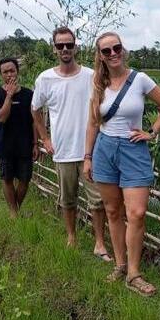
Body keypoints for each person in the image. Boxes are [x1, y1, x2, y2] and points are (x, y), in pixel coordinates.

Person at [83, 32, 160, 296]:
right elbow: (92, 123)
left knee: (135, 213)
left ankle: (134, 273)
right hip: (105, 150)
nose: (113, 54)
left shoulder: (140, 79)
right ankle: (121, 265)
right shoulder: (98, 85)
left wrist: (152, 131)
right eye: (106, 51)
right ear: (100, 56)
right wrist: (88, 157)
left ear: (123, 49)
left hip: (134, 150)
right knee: (112, 211)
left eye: (116, 48)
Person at [32, 27, 109, 260]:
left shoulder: (90, 76)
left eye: (69, 45)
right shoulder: (45, 78)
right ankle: (71, 237)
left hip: (90, 150)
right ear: (54, 48)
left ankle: (99, 243)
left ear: (76, 46)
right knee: (68, 199)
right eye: (60, 45)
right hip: (63, 150)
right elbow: (35, 109)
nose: (65, 49)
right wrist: (45, 138)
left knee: (97, 200)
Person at [0, 57, 38, 218]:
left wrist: (35, 143)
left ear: (17, 71)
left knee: (25, 179)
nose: (9, 74)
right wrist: (9, 96)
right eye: (5, 72)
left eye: (12, 70)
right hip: (5, 144)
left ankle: (15, 208)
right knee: (7, 178)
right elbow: (1, 118)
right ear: (0, 74)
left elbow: (34, 121)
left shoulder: (29, 94)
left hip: (25, 144)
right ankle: (13, 212)